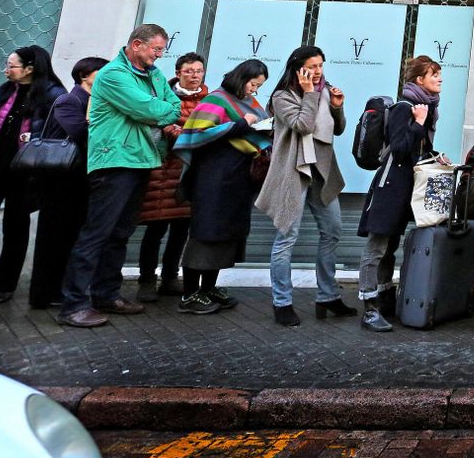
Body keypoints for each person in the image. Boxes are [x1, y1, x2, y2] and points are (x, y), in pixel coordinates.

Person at [58, 25, 182, 328]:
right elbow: (148, 109)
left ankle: (106, 295)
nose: (159, 55)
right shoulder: (113, 75)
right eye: (156, 49)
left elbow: (174, 106)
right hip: (114, 161)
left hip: (141, 160)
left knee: (120, 233)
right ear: (137, 44)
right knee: (97, 233)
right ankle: (73, 305)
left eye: (162, 50)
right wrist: (159, 112)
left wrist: (161, 111)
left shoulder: (154, 75)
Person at [258, 45, 352, 327]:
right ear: (298, 68)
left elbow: (337, 129)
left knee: (333, 231)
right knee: (287, 236)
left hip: (321, 170)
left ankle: (328, 296)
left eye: (321, 65)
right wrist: (310, 93)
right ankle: (282, 302)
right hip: (293, 171)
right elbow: (303, 125)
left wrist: (337, 107)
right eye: (312, 66)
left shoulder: (325, 91)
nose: (318, 71)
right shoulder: (282, 96)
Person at [172, 59, 271, 315]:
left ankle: (208, 288)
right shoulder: (217, 99)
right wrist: (241, 124)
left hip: (238, 178)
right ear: (241, 78)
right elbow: (197, 133)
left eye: (259, 86)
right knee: (206, 231)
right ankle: (190, 293)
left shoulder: (249, 102)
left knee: (226, 233)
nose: (254, 90)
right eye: (253, 84)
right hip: (213, 178)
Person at [0, 45, 66, 302]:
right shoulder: (5, 91)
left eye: (11, 66)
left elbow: (55, 135)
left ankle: (5, 285)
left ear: (29, 69)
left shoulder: (53, 95)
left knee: (15, 228)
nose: (6, 70)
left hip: (26, 173)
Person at [357, 54, 441, 332]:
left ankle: (385, 299)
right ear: (419, 80)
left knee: (391, 246)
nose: (440, 79)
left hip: (406, 188)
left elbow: (417, 151)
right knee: (377, 247)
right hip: (390, 186)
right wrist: (418, 123)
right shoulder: (405, 108)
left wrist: (435, 156)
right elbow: (401, 148)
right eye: (434, 75)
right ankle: (369, 307)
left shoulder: (424, 108)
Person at [28, 56, 107, 310]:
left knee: (70, 237)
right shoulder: (69, 100)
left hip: (79, 182)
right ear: (84, 75)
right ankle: (43, 294)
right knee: (53, 239)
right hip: (61, 182)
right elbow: (82, 133)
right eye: (101, 72)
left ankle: (60, 290)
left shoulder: (92, 101)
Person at [134, 52, 203, 303]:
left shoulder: (208, 100)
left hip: (189, 172)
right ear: (177, 73)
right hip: (162, 171)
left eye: (199, 71)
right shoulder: (163, 97)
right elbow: (160, 123)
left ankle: (170, 277)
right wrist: (186, 135)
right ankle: (146, 280)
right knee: (156, 229)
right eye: (189, 71)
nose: (195, 76)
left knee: (181, 230)